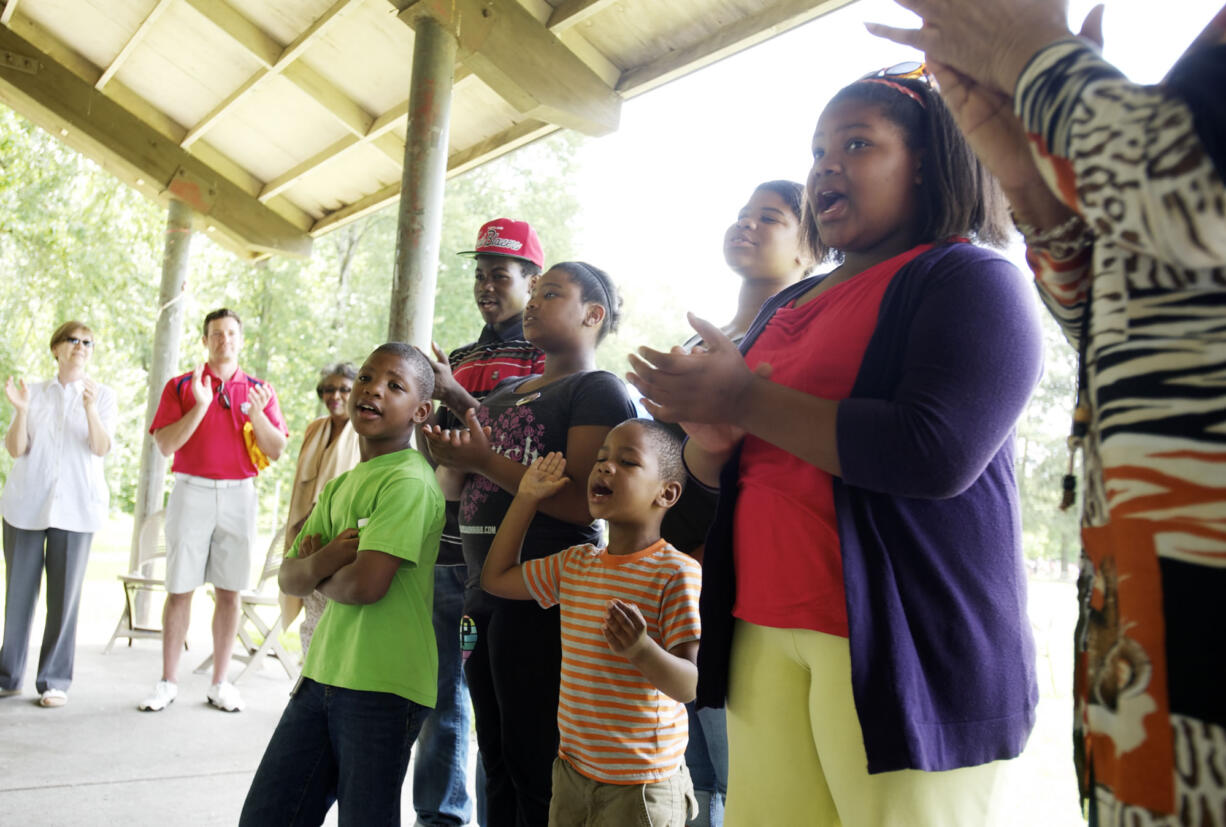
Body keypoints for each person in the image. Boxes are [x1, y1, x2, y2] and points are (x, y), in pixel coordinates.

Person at [627, 69, 1044, 826]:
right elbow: (720, 493)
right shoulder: (791, 301)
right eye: (819, 149)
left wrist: (745, 398)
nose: (825, 165)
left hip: (901, 646)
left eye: (857, 143)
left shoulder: (972, 277)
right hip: (762, 630)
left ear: (927, 161)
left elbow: (935, 451)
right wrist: (713, 449)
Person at [868, 3, 1226, 822]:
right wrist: (1038, 195)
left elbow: (1195, 196)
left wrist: (1025, 51)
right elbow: (1131, 325)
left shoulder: (964, 280)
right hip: (1154, 665)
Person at [423, 261, 637, 826]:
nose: (535, 302)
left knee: (535, 759)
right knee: (494, 756)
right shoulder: (509, 391)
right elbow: (474, 457)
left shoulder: (597, 390)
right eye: (536, 293)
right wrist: (449, 429)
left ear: (594, 315)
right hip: (480, 594)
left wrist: (479, 460)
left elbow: (581, 503)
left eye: (552, 293)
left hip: (541, 596)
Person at [239, 343, 445, 825]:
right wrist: (332, 558)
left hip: (384, 685)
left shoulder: (408, 483)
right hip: (322, 674)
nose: (373, 390)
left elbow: (367, 585)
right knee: (268, 814)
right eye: (367, 379)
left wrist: (317, 571)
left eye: (395, 386)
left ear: (421, 411)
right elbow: (290, 577)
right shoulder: (340, 486)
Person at [661, 180, 811, 827]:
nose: (746, 225)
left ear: (810, 248)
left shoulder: (805, 335)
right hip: (675, 586)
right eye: (742, 215)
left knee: (736, 781)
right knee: (684, 775)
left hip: (747, 592)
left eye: (769, 218)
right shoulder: (698, 346)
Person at [481, 421, 701, 827]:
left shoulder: (676, 572)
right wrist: (526, 497)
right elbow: (495, 579)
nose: (605, 467)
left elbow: (687, 685)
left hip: (641, 787)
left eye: (627, 461)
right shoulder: (576, 564)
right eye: (601, 458)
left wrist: (641, 649)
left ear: (666, 493)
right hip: (572, 773)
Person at [416, 217, 547, 827]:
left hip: (510, 563)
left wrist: (455, 398)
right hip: (447, 556)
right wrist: (427, 424)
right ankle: (440, 817)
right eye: (479, 274)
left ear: (533, 282)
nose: (485, 286)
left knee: (504, 708)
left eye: (500, 274)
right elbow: (445, 456)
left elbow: (518, 441)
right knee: (444, 694)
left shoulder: (550, 356)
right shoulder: (461, 356)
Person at [139, 308, 288, 714]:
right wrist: (200, 407)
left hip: (240, 493)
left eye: (231, 333)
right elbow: (166, 444)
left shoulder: (259, 390)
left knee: (230, 590)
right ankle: (168, 680)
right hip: (192, 490)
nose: (224, 340)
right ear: (205, 341)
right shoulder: (182, 386)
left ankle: (220, 682)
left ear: (241, 339)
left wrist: (257, 415)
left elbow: (276, 449)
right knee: (180, 587)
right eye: (216, 334)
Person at [0, 321, 116, 708]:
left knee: (64, 599)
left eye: (88, 342)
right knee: (18, 595)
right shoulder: (31, 392)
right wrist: (20, 411)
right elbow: (16, 449)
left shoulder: (103, 396)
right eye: (74, 340)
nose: (81, 346)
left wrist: (88, 409)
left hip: (78, 510)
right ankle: (8, 675)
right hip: (25, 505)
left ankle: (53, 680)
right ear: (56, 348)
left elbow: (100, 447)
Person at [278, 362, 361, 654]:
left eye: (343, 389)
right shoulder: (315, 429)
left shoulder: (365, 432)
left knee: (334, 621)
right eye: (327, 389)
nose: (334, 395)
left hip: (339, 541)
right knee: (311, 620)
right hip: (305, 539)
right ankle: (309, 681)